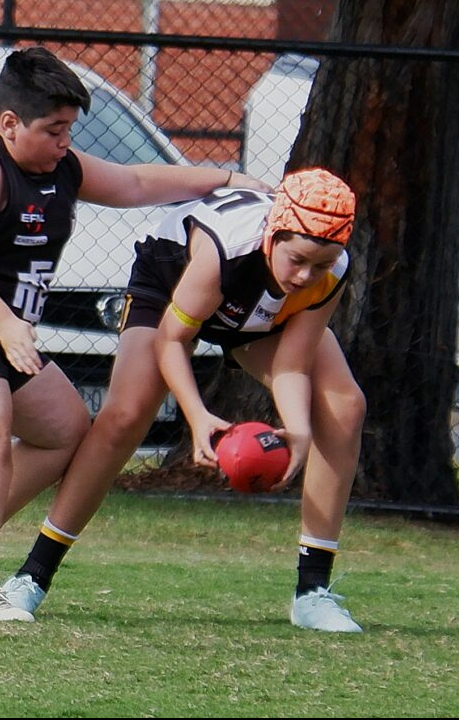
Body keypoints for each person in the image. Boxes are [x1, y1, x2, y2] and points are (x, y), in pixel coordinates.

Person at [1, 166, 366, 632]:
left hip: (256, 315)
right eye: (297, 259)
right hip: (170, 288)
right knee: (125, 415)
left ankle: (313, 592)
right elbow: (173, 340)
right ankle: (32, 576)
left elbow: (292, 366)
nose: (305, 275)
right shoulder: (226, 247)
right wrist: (197, 417)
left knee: (345, 406)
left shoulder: (331, 270)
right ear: (273, 234)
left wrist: (298, 430)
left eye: (320, 265)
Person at [0, 46, 270, 622]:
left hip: (11, 343)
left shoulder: (64, 168)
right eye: (53, 131)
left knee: (63, 431)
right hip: (3, 334)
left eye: (70, 130)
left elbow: (136, 181)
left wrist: (227, 177)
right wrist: (5, 322)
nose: (65, 143)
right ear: (9, 124)